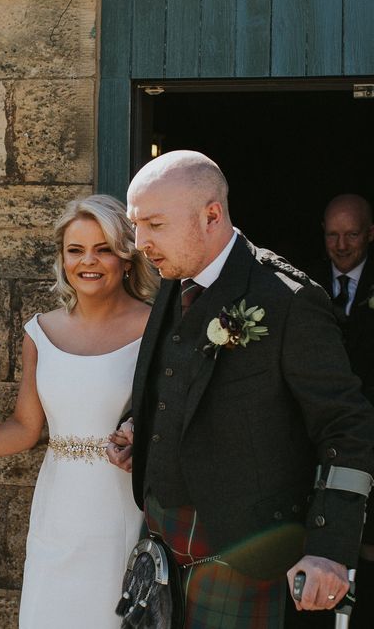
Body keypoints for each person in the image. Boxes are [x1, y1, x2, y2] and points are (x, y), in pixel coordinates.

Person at [108, 150, 374, 628]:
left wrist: (330, 551)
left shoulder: (289, 302)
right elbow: (174, 376)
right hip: (161, 544)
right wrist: (139, 425)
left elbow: (347, 427)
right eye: (136, 225)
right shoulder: (174, 277)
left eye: (154, 224)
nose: (139, 242)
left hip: (244, 553)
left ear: (211, 215)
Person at [0, 194, 158, 629]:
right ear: (62, 259)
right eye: (76, 250)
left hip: (125, 505)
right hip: (58, 509)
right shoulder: (41, 332)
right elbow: (26, 428)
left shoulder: (158, 328)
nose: (89, 261)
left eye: (104, 249)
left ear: (127, 257)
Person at [308, 194, 374, 628]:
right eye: (333, 235)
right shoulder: (306, 285)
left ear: (370, 234)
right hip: (321, 438)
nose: (342, 244)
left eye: (352, 234)